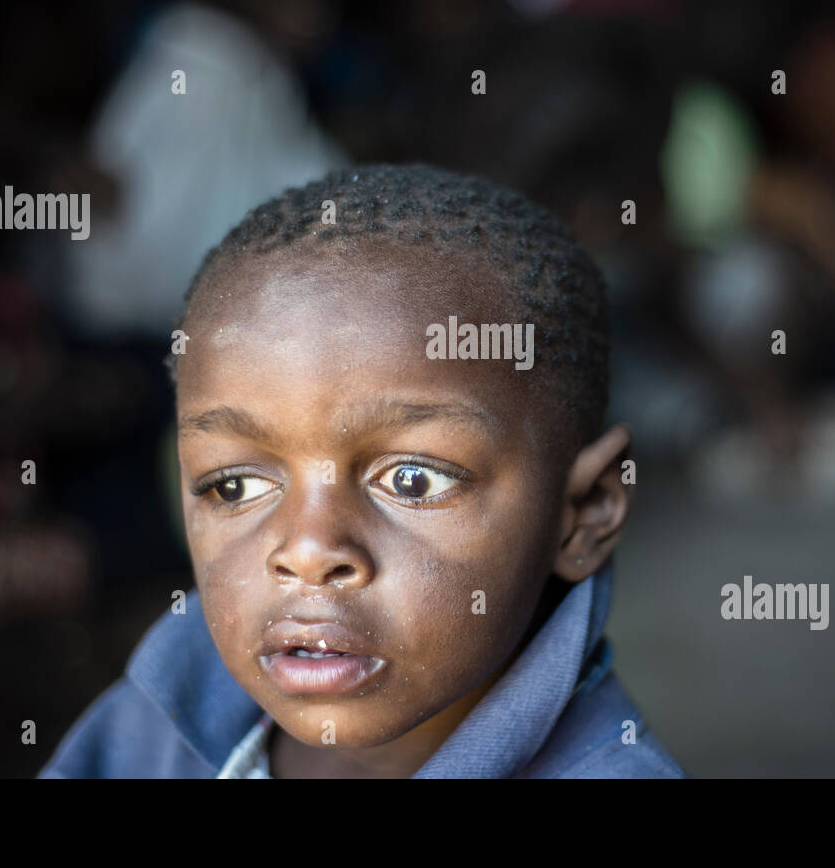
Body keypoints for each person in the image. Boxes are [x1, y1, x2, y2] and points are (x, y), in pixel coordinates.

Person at [39, 163, 686, 778]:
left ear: (584, 512)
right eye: (233, 485)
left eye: (414, 479)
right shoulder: (148, 726)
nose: (311, 550)